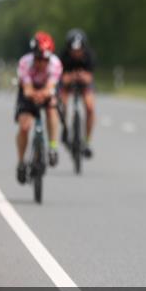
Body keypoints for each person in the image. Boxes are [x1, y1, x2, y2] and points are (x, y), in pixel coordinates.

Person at [15, 31, 62, 183]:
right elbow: (27, 89)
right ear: (33, 56)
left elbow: (51, 86)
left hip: (46, 91)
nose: (41, 63)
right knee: (24, 126)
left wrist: (44, 94)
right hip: (29, 92)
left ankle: (53, 147)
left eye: (45, 59)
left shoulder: (55, 64)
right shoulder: (24, 63)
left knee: (52, 109)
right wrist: (34, 94)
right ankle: (21, 162)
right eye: (38, 59)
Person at [58, 28, 97, 158]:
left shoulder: (89, 56)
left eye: (79, 50)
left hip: (84, 84)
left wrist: (79, 76)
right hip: (67, 84)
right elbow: (61, 77)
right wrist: (70, 77)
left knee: (90, 107)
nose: (76, 53)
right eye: (73, 50)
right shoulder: (63, 57)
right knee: (62, 104)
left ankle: (87, 141)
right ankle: (65, 128)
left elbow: (89, 77)